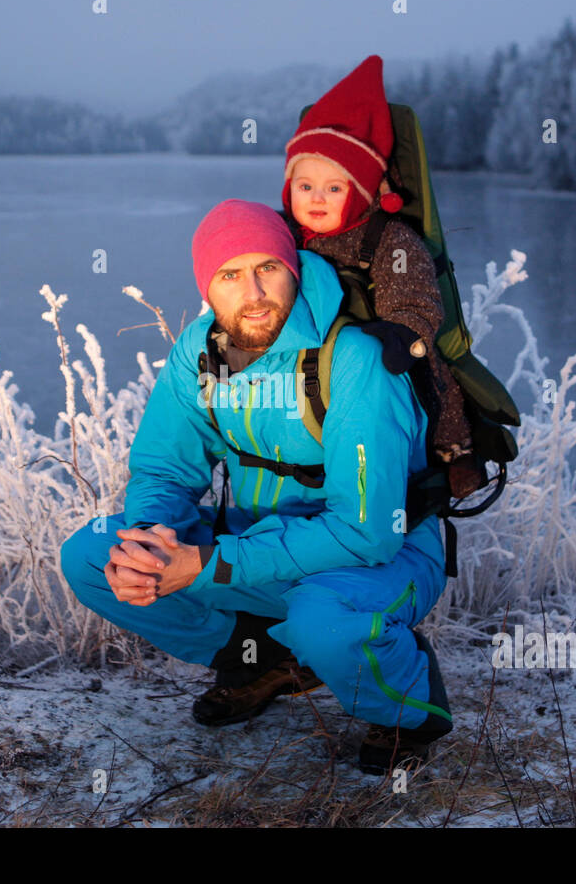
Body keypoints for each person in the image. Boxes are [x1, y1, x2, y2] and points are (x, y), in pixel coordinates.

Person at [58, 199, 453, 774]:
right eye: (229, 275)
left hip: (378, 559)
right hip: (259, 544)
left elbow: (368, 533)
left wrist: (209, 565)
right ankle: (265, 656)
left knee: (325, 618)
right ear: (207, 288)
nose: (253, 292)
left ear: (292, 268)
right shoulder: (202, 351)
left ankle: (407, 707)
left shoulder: (354, 360)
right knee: (95, 555)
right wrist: (149, 538)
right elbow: (165, 468)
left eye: (267, 268)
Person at [282, 54, 484, 496]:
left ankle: (453, 450)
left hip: (382, 356)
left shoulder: (389, 240)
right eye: (304, 186)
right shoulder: (285, 235)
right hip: (309, 362)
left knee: (428, 366)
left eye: (334, 188)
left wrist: (397, 333)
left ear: (362, 190)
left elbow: (416, 301)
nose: (316, 198)